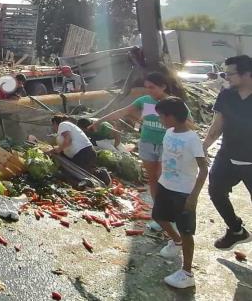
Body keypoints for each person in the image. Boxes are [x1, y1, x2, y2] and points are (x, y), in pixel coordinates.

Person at [91, 71, 182, 231]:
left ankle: (172, 215)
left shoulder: (174, 103)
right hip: (147, 144)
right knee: (153, 181)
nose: (149, 91)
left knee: (164, 179)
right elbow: (122, 111)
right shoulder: (145, 101)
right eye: (147, 88)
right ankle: (160, 216)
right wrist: (99, 120)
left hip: (167, 145)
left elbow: (187, 123)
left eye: (152, 87)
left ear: (163, 86)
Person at [152, 97, 208, 289]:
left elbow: (204, 169)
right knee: (158, 216)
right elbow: (165, 154)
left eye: (161, 116)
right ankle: (175, 242)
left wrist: (193, 196)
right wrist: (160, 174)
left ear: (173, 116)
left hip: (184, 192)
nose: (160, 120)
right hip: (166, 185)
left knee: (186, 231)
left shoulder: (192, 139)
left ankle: (187, 273)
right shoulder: (169, 132)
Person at [203, 54, 252, 249]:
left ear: (247, 74)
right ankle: (236, 230)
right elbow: (217, 126)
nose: (226, 77)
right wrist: (203, 147)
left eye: (230, 74)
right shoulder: (226, 95)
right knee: (216, 191)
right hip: (227, 156)